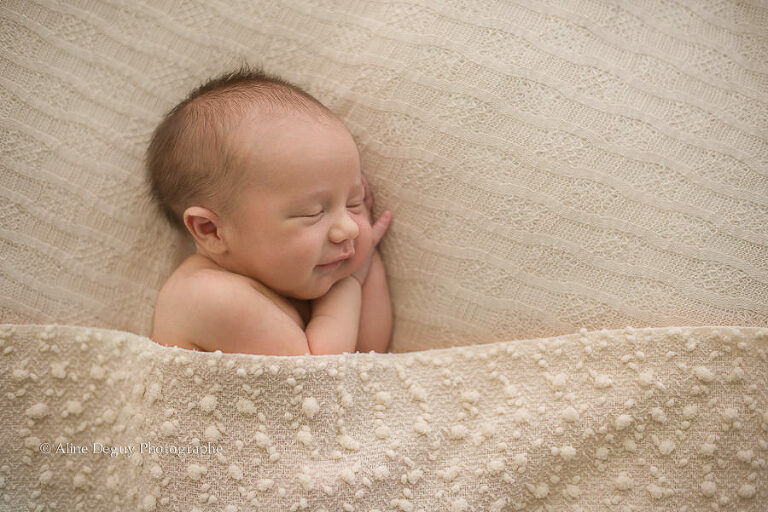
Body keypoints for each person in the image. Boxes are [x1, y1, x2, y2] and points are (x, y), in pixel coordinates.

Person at [145, 66, 393, 356]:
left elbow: (371, 355)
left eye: (354, 202)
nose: (349, 228)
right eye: (313, 212)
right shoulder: (209, 297)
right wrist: (348, 287)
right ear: (210, 230)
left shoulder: (292, 284)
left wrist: (365, 262)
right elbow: (321, 381)